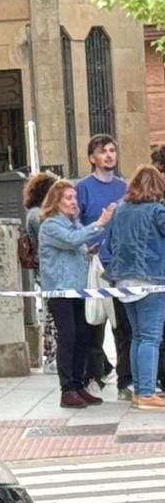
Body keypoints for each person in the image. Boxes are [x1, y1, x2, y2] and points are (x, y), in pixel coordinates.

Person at [38, 178, 115, 408]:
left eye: (74, 198)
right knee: (69, 338)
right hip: (61, 291)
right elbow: (72, 241)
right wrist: (99, 223)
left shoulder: (75, 224)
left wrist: (89, 252)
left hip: (79, 290)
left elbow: (78, 245)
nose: (74, 202)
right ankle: (67, 388)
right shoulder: (51, 226)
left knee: (84, 337)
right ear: (56, 202)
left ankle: (79, 384)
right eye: (68, 198)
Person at [101, 166, 165, 410]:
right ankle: (148, 393)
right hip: (152, 281)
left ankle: (139, 389)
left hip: (123, 281)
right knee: (150, 337)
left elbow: (112, 242)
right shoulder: (157, 211)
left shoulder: (120, 210)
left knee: (138, 336)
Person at [78, 136, 131, 395]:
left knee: (122, 326)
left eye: (112, 150)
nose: (109, 155)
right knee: (93, 323)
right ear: (92, 158)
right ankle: (93, 376)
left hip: (121, 266)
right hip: (94, 264)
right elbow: (74, 222)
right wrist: (86, 246)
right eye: (103, 152)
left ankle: (125, 381)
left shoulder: (124, 188)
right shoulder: (83, 188)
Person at [23, 172, 58, 373]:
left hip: (42, 269)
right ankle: (51, 356)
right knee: (51, 314)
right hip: (47, 270)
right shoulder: (38, 215)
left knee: (50, 312)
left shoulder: (33, 213)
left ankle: (51, 355)